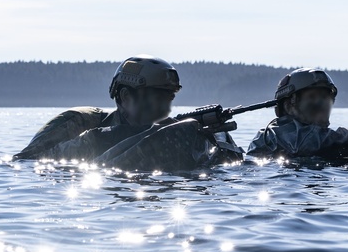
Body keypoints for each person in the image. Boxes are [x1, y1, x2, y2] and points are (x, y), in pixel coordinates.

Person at [14, 55, 242, 170]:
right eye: (156, 100)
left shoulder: (169, 134)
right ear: (125, 97)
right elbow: (27, 163)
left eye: (169, 99)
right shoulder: (79, 122)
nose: (165, 109)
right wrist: (95, 142)